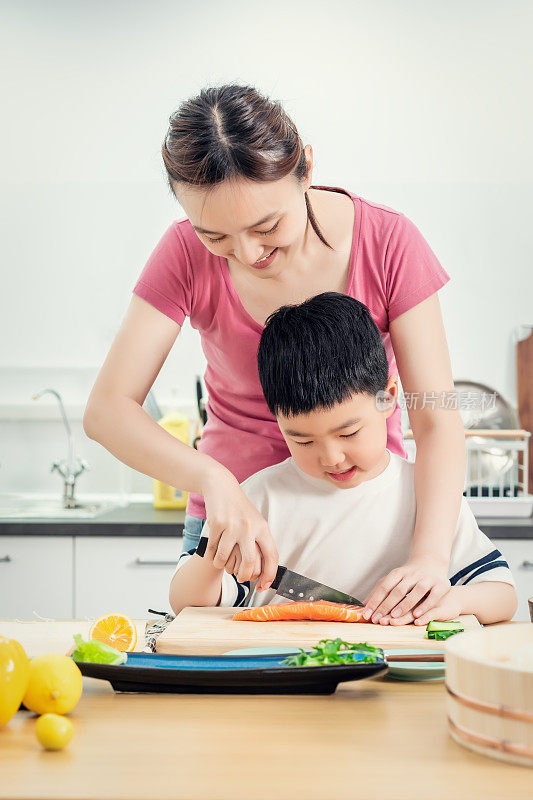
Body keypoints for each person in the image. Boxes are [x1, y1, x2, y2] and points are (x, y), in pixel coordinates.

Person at [84, 83, 466, 623]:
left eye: (267, 226)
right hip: (235, 532)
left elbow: (438, 416)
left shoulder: (388, 242)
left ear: (305, 168)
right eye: (214, 236)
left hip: (363, 518)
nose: (247, 254)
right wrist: (214, 480)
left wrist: (429, 557)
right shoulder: (182, 254)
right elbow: (107, 410)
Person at [168, 294, 517, 625]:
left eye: (348, 433)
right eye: (302, 440)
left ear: (388, 398)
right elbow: (185, 602)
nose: (331, 457)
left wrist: (455, 600)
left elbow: (503, 597)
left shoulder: (426, 494)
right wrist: (212, 554)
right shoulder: (259, 498)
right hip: (278, 670)